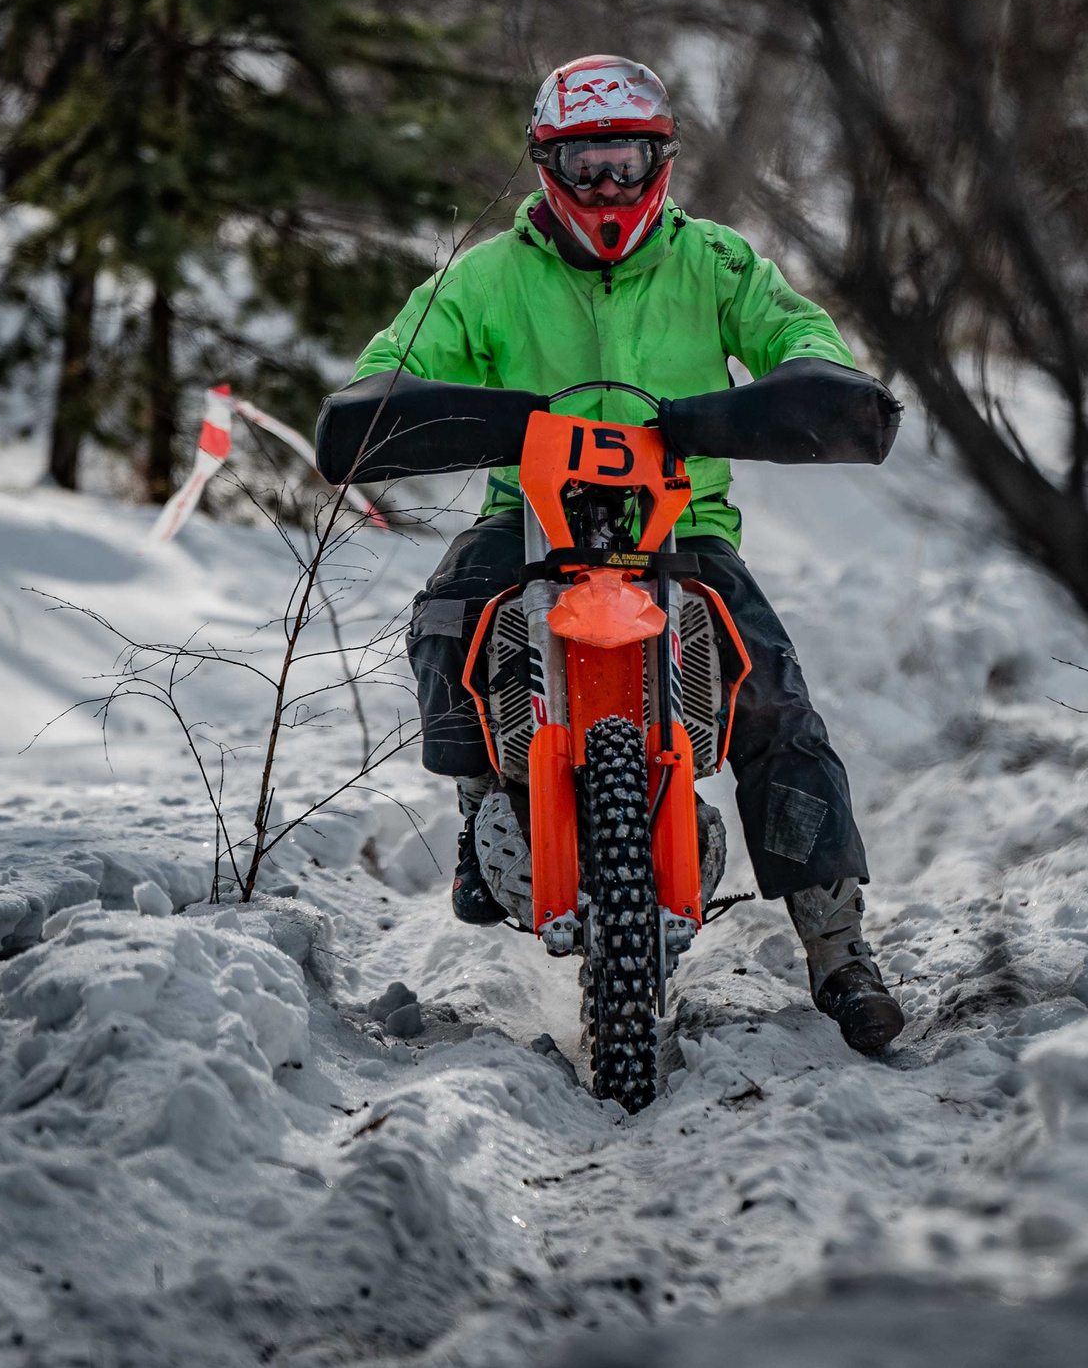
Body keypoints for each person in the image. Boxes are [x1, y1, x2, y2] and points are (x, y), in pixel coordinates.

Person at [321, 54, 904, 1057]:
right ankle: (481, 803)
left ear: (659, 160)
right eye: (583, 163)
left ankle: (839, 949)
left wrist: (811, 381)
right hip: (527, 517)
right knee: (447, 614)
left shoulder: (715, 261)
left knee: (772, 697)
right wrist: (397, 402)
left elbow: (798, 333)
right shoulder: (488, 275)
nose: (604, 185)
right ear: (545, 163)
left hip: (683, 524)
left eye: (624, 162)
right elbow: (396, 360)